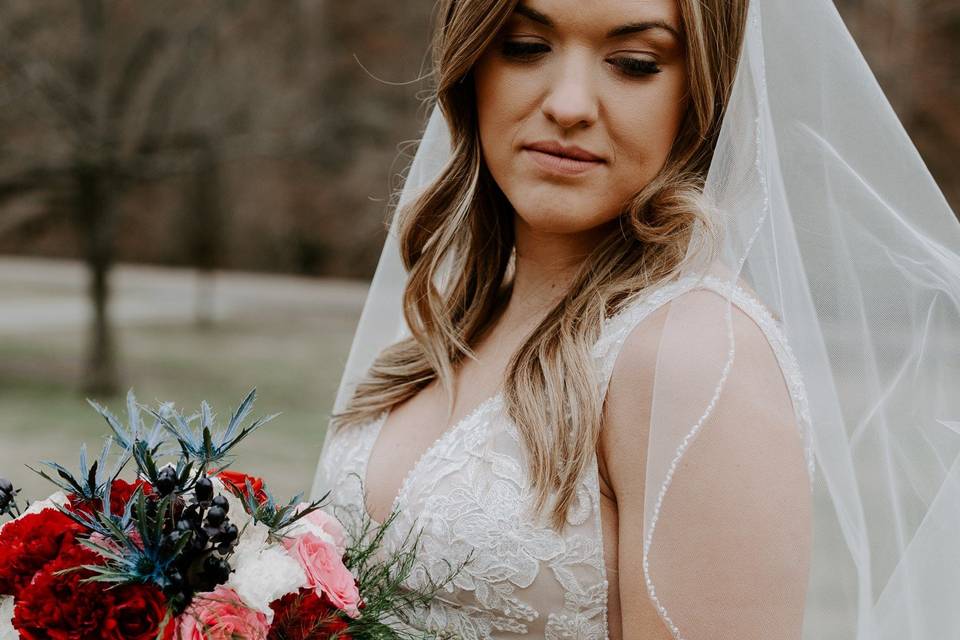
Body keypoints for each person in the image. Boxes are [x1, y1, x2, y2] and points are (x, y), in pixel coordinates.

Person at [312, 0, 960, 638]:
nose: (568, 104)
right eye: (526, 47)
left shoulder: (695, 355)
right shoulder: (443, 321)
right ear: (472, 64)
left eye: (633, 62)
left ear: (702, 91)